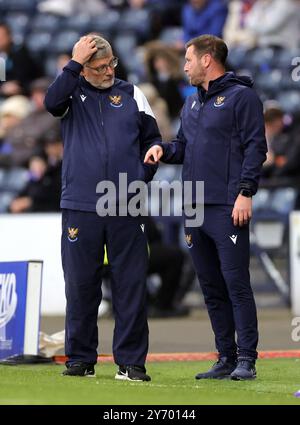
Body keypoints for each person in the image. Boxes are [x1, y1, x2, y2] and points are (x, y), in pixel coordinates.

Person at [145, 35, 267, 380]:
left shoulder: (242, 97)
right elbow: (183, 146)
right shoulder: (192, 104)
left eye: (188, 59)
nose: (184, 66)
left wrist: (246, 193)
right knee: (210, 286)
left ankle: (247, 359)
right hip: (194, 207)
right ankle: (225, 357)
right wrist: (163, 151)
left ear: (207, 59)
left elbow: (256, 148)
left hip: (227, 206)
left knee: (236, 283)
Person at [45, 34, 160, 381]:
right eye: (99, 67)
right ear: (84, 68)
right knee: (81, 285)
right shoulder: (70, 93)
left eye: (111, 64)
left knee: (131, 285)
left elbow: (153, 140)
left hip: (128, 204)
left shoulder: (132, 93)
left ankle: (131, 362)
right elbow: (51, 102)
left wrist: (142, 176)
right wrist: (74, 63)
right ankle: (80, 359)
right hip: (81, 204)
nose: (108, 71)